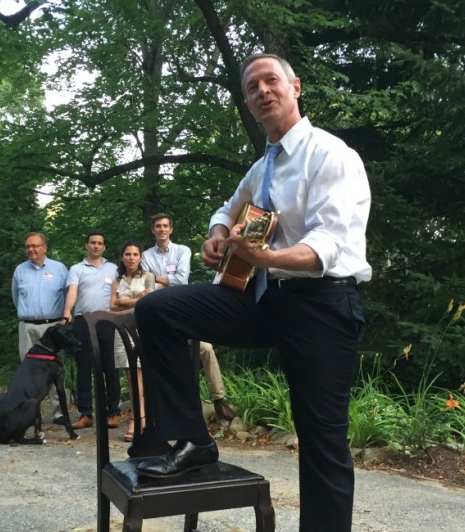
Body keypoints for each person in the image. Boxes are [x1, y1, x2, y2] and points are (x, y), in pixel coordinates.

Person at [133, 54, 370, 532]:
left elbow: (327, 247)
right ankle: (192, 440)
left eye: (271, 80)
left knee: (322, 440)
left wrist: (267, 259)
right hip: (263, 300)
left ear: (295, 87)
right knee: (158, 310)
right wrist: (216, 235)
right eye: (252, 86)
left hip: (322, 305)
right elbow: (228, 207)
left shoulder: (330, 154)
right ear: (247, 102)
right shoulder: (263, 166)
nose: (263, 90)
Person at [141, 213, 236, 421]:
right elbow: (148, 286)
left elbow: (181, 281)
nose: (162, 229)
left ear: (171, 229)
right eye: (158, 226)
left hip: (180, 310)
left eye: (165, 226)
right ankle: (168, 407)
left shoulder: (182, 250)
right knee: (162, 355)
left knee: (206, 348)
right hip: (158, 315)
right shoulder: (145, 255)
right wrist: (164, 281)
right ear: (153, 230)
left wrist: (159, 279)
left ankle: (219, 400)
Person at [61, 231, 121, 430]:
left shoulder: (113, 268)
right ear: (86, 245)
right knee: (83, 367)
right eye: (92, 242)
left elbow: (121, 293)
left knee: (109, 367)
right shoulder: (77, 269)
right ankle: (85, 413)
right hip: (82, 321)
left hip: (107, 321)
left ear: (104, 247)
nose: (96, 246)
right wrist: (67, 311)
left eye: (100, 243)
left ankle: (113, 412)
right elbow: (72, 291)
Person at [11, 232, 69, 422]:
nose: (31, 249)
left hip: (52, 327)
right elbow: (16, 298)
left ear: (45, 247)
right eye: (28, 246)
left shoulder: (59, 269)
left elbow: (69, 295)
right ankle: (28, 413)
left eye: (35, 246)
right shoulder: (20, 270)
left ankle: (58, 413)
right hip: (27, 326)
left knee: (56, 371)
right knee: (27, 372)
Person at [110, 241, 155, 442]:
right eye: (127, 254)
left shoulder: (148, 277)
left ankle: (138, 419)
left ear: (140, 257)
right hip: (121, 330)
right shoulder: (116, 281)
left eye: (135, 254)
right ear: (122, 257)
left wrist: (123, 301)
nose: (131, 257)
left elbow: (149, 302)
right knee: (130, 374)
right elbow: (112, 307)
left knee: (140, 373)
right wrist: (135, 300)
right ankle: (139, 417)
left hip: (142, 329)